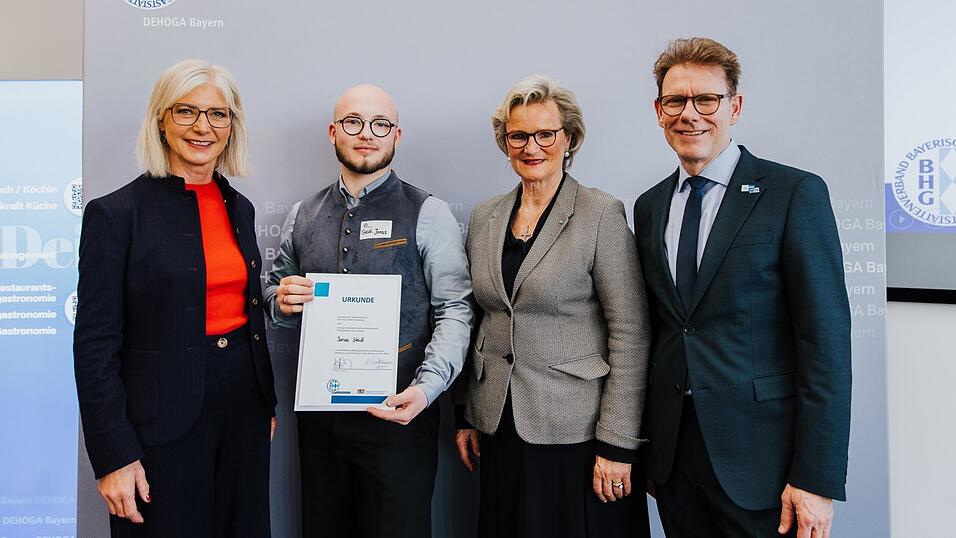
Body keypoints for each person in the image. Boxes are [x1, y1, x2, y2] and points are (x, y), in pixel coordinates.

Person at [632, 37, 852, 538]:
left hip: (764, 468)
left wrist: (815, 478)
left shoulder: (794, 193)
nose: (690, 114)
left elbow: (826, 346)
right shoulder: (649, 207)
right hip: (673, 463)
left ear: (734, 106)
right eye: (675, 101)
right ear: (658, 110)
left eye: (705, 100)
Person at [73, 59, 278, 537]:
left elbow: (244, 312)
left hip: (244, 410)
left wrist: (261, 402)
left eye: (218, 114)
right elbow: (94, 345)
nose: (203, 127)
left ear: (232, 125)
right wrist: (113, 455)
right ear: (161, 119)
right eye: (187, 111)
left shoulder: (240, 208)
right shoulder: (115, 215)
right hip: (157, 421)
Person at [264, 84, 474, 538]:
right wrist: (280, 300)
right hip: (320, 425)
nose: (366, 134)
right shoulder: (303, 214)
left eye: (380, 124)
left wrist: (426, 389)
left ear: (396, 135)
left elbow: (455, 310)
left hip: (400, 418)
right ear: (333, 131)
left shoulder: (428, 212)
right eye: (353, 123)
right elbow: (273, 294)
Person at [454, 75, 652, 538]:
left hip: (578, 431)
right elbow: (481, 319)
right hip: (498, 425)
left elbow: (631, 331)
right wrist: (465, 412)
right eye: (518, 135)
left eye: (546, 134)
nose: (532, 146)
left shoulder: (600, 213)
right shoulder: (486, 215)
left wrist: (618, 445)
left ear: (569, 139)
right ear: (505, 143)